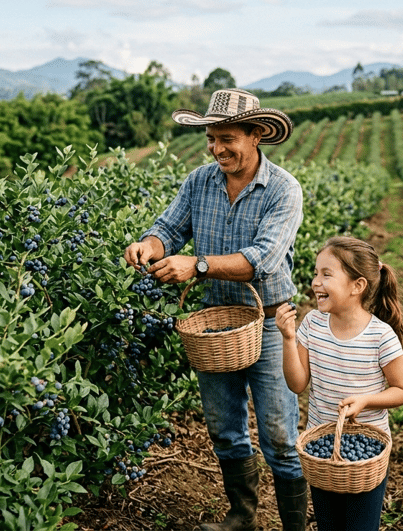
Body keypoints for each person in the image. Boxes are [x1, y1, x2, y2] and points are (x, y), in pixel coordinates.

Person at [124, 88, 308, 531]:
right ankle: (241, 518)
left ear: (256, 135)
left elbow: (260, 259)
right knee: (225, 430)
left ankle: (295, 527)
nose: (217, 148)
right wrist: (147, 245)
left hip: (269, 324)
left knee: (281, 438)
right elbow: (169, 228)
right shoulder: (199, 181)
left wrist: (198, 265)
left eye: (227, 138)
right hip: (214, 324)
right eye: (211, 138)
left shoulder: (283, 189)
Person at [275, 236, 403, 531]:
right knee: (329, 524)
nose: (316, 282)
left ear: (357, 286)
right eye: (315, 273)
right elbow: (297, 384)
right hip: (322, 450)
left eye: (326, 274)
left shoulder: (380, 336)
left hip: (367, 452)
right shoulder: (312, 324)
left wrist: (365, 400)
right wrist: (288, 338)